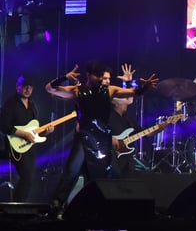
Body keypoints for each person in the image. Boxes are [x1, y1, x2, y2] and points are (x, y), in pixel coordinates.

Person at [45, 61, 158, 218]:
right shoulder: (77, 91)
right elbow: (50, 89)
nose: (104, 80)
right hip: (84, 137)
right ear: (89, 76)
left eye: (106, 78)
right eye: (101, 77)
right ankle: (56, 207)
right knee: (72, 172)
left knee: (111, 174)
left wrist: (144, 87)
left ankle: (110, 208)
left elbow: (133, 92)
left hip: (102, 139)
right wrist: (64, 77)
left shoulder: (110, 91)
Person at [0, 75, 55, 202]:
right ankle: (17, 207)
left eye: (30, 87)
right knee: (27, 177)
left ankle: (19, 205)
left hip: (30, 148)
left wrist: (45, 133)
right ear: (17, 86)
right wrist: (24, 134)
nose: (27, 89)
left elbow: (34, 130)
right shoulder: (10, 104)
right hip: (15, 147)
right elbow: (4, 126)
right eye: (25, 86)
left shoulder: (33, 105)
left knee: (30, 178)